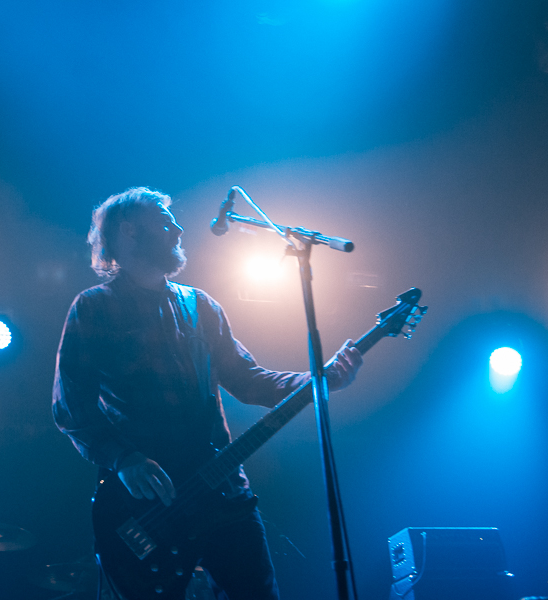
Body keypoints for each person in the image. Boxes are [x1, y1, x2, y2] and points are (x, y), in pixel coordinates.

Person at [53, 187, 362, 600]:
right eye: (165, 221)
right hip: (145, 504)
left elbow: (249, 380)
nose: (179, 230)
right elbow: (71, 406)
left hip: (222, 490)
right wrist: (124, 459)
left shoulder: (200, 306)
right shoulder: (94, 307)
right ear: (129, 231)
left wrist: (319, 379)